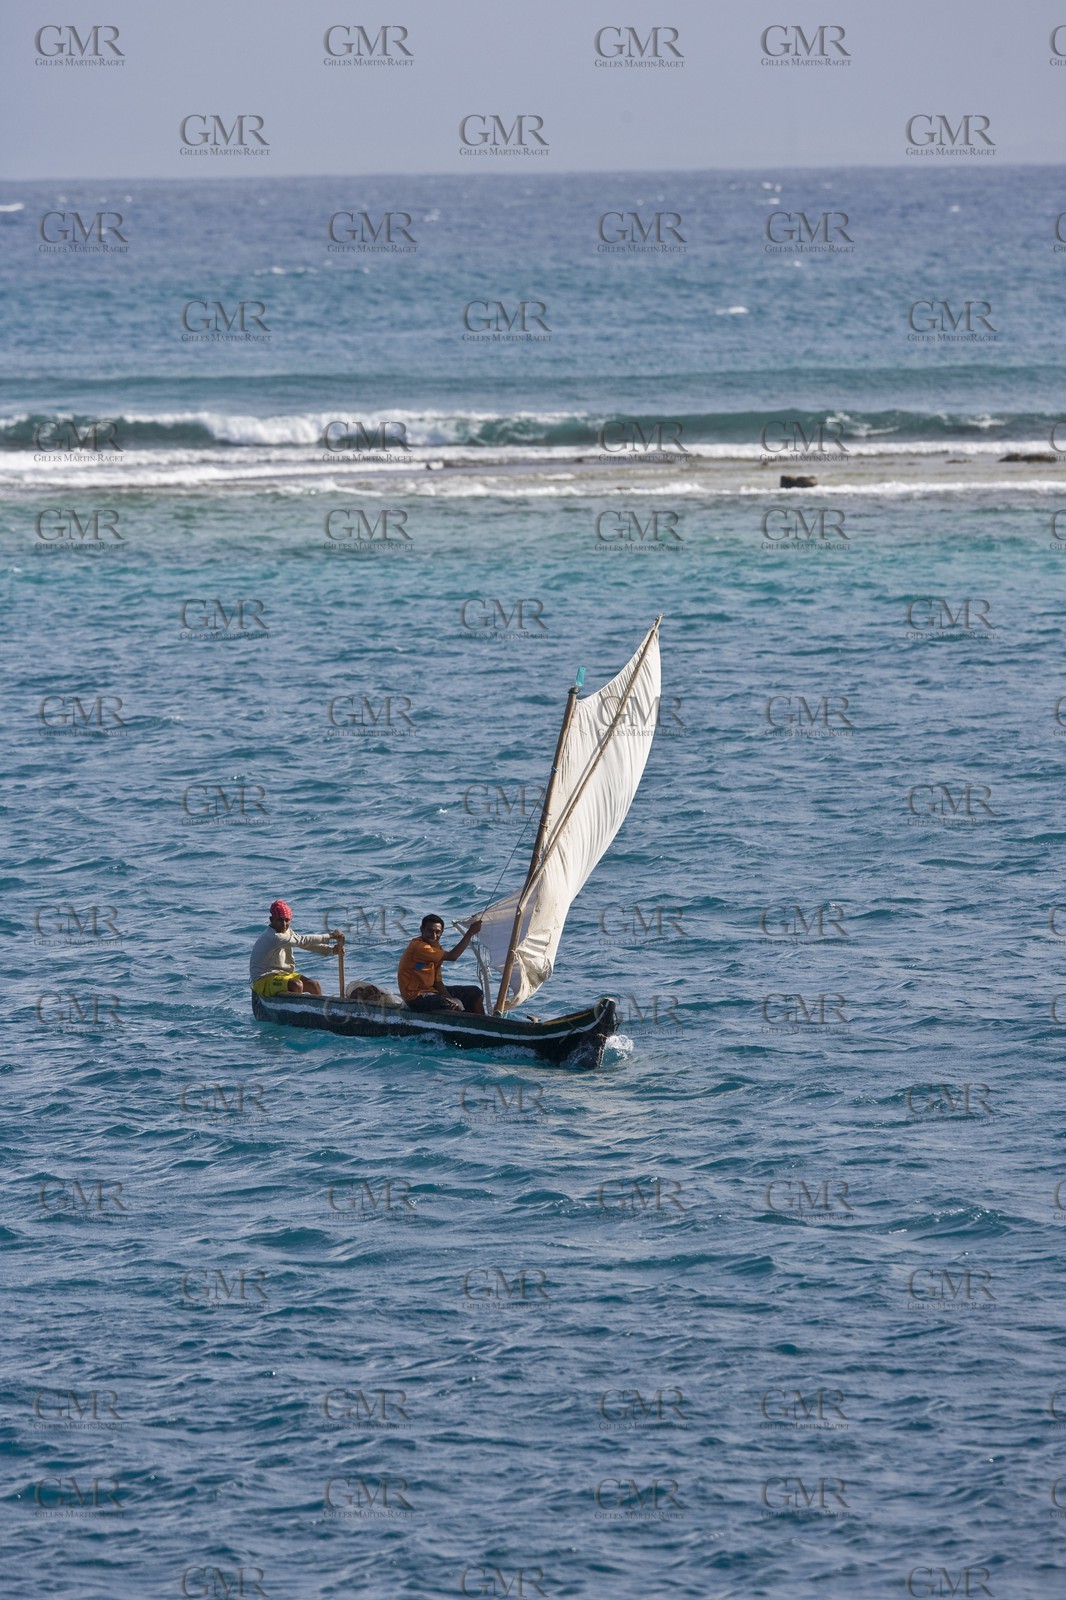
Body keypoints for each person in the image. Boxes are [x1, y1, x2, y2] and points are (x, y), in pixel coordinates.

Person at [250, 899, 343, 997]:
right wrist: (330, 936)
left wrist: (330, 950)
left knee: (314, 985)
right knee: (296, 985)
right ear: (271, 920)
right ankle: (296, 1011)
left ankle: (319, 1011)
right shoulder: (274, 937)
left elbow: (303, 944)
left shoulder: (287, 932)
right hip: (263, 980)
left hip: (283, 975)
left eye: (287, 920)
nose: (284, 924)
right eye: (280, 920)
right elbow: (302, 940)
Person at [398, 913, 485, 1013]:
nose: (434, 935)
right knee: (455, 1004)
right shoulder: (419, 947)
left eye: (437, 932)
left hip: (431, 991)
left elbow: (437, 982)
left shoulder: (436, 949)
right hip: (415, 997)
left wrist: (449, 997)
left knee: (475, 993)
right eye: (430, 931)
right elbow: (453, 956)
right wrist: (470, 932)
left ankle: (484, 1023)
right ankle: (466, 1024)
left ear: (442, 932)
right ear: (422, 929)